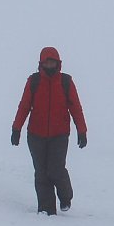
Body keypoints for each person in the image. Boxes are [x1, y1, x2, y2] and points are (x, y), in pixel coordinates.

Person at [11, 47, 88, 215]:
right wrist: (16, 129)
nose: (49, 65)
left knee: (56, 169)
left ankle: (65, 197)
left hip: (59, 135)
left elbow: (76, 108)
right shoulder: (34, 81)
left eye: (52, 62)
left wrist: (82, 131)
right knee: (41, 173)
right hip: (35, 135)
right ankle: (47, 210)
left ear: (58, 63)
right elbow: (24, 106)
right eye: (46, 62)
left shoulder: (66, 81)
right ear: (41, 63)